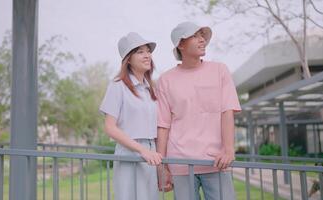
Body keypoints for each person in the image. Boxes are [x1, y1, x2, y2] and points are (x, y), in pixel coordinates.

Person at [156, 21, 241, 200]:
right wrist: (162, 166)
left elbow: (227, 111)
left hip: (216, 161)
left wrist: (229, 149)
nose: (202, 40)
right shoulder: (165, 80)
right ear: (181, 44)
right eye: (195, 36)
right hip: (180, 162)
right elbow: (163, 124)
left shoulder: (219, 70)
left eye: (203, 36)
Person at [100, 32, 162, 200]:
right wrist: (142, 150)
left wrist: (157, 163)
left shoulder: (151, 90)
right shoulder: (117, 86)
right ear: (128, 58)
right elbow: (110, 127)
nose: (147, 55)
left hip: (151, 154)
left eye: (148, 51)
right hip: (129, 154)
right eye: (140, 51)